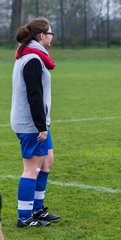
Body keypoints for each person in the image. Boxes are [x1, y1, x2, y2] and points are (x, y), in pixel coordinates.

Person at [11, 17, 60, 227]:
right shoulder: (32, 59)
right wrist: (40, 126)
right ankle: (24, 217)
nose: (52, 37)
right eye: (50, 33)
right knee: (32, 168)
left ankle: (37, 209)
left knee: (47, 161)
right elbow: (34, 95)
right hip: (31, 124)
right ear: (41, 36)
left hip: (39, 122)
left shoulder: (34, 56)